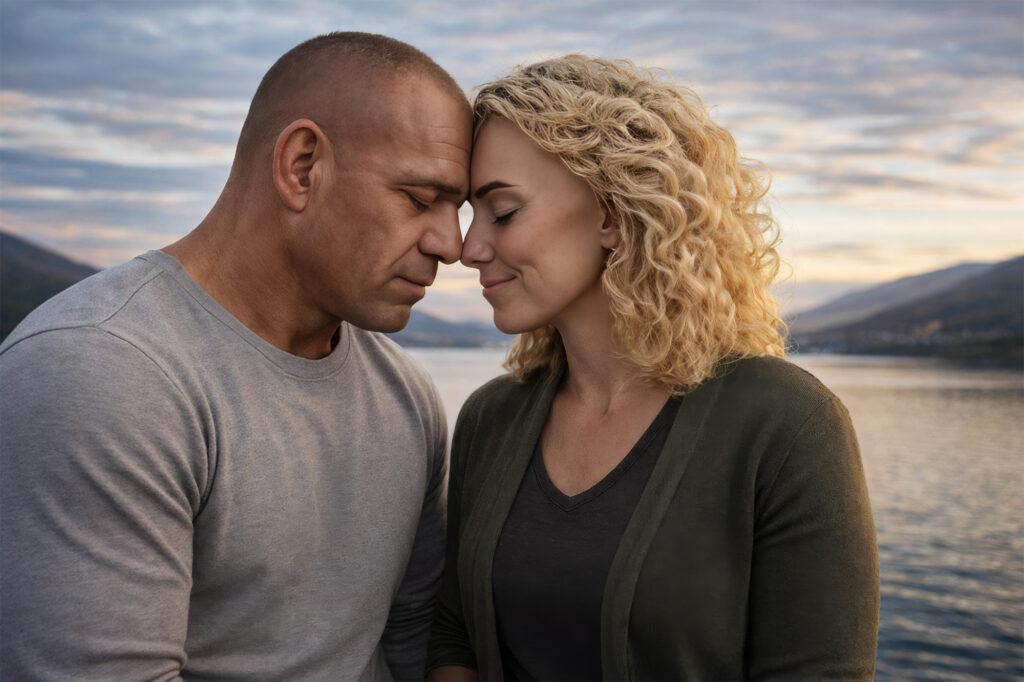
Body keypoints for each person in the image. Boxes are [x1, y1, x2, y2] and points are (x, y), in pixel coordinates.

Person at [0, 32, 472, 680]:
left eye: (461, 208)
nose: (452, 244)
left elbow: (414, 642)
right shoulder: (98, 373)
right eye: (421, 200)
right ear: (302, 167)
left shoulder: (407, 399)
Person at [427, 56, 880, 681]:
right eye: (468, 216)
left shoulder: (787, 425)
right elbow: (453, 634)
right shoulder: (491, 418)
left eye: (502, 212)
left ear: (612, 214)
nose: (468, 248)